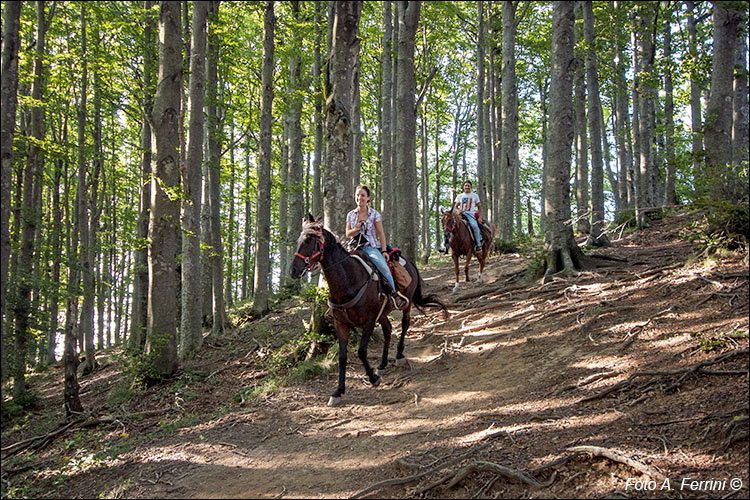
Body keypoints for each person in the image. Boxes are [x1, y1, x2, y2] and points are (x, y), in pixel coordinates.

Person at [346, 184, 408, 310]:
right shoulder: (351, 215)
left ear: (368, 198)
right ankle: (335, 304)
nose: (360, 198)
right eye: (357, 195)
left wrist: (384, 250)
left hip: (370, 248)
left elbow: (381, 234)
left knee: (383, 268)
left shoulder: (374, 214)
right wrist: (355, 229)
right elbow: (347, 233)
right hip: (353, 247)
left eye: (363, 195)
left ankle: (394, 295)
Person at [454, 180, 483, 253]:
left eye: (468, 186)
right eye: (465, 185)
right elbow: (455, 207)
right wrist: (458, 211)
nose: (467, 187)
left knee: (474, 226)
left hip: (470, 214)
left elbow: (479, 207)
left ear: (471, 187)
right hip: (461, 214)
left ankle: (478, 245)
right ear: (463, 187)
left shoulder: (475, 196)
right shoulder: (460, 196)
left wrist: (479, 217)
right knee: (450, 225)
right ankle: (445, 245)